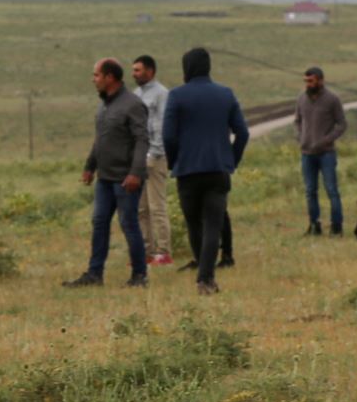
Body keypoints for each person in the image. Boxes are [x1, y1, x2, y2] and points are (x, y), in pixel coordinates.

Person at [162, 48, 250, 295]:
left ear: (186, 67)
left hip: (187, 171)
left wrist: (173, 162)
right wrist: (231, 160)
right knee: (213, 224)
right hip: (217, 170)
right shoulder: (225, 94)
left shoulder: (177, 96)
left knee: (194, 223)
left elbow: (168, 136)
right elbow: (242, 133)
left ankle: (203, 270)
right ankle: (206, 279)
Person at [66, 59, 150, 288]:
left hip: (126, 178)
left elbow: (142, 140)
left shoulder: (132, 104)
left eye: (96, 75)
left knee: (128, 223)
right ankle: (94, 275)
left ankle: (139, 276)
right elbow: (100, 140)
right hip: (105, 178)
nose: (93, 79)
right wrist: (89, 166)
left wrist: (135, 173)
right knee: (99, 222)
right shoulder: (104, 104)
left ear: (110, 77)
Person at [130, 55, 174, 266]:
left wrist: (154, 153)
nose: (134, 74)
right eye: (134, 70)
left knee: (157, 206)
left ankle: (163, 252)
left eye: (138, 70)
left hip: (155, 157)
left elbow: (161, 126)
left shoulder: (161, 94)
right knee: (141, 208)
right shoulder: (136, 94)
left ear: (150, 71)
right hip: (138, 159)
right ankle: (145, 251)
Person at [295, 67, 348, 236]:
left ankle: (337, 226)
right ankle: (314, 225)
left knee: (331, 190)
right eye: (306, 81)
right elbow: (297, 121)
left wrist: (326, 140)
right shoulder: (301, 99)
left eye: (311, 81)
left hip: (326, 153)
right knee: (310, 191)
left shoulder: (332, 99)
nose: (308, 84)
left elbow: (342, 124)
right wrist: (300, 137)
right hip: (306, 154)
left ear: (320, 80)